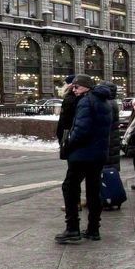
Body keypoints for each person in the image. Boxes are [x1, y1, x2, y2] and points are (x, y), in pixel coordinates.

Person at [58, 76, 113, 244]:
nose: (73, 90)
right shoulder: (104, 102)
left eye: (76, 87)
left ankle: (72, 229)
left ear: (86, 87)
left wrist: (68, 144)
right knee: (93, 191)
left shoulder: (85, 101)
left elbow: (81, 130)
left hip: (82, 154)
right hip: (98, 154)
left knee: (70, 187)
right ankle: (93, 229)